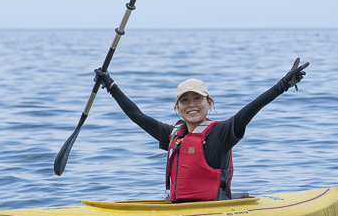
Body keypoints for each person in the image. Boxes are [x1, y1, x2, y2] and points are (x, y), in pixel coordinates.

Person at [93, 58, 309, 202]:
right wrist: (111, 86)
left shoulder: (222, 133)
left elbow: (251, 108)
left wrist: (283, 85)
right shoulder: (173, 135)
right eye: (184, 101)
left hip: (212, 212)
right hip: (179, 210)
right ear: (177, 107)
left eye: (198, 98)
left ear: (209, 103)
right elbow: (137, 115)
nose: (191, 104)